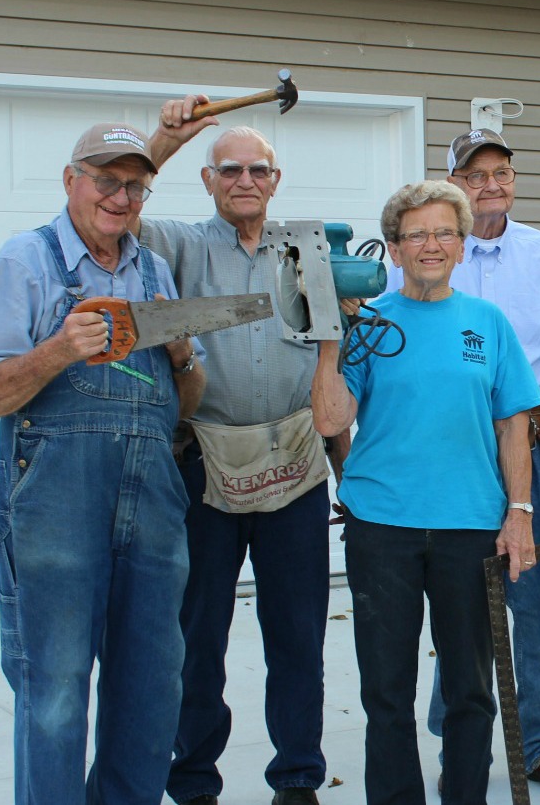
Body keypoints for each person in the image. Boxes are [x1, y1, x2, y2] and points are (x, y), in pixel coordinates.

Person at [0, 122, 205, 804]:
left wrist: (183, 349)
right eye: (107, 180)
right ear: (71, 180)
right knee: (56, 687)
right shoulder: (26, 263)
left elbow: (185, 403)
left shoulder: (154, 271)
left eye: (134, 185)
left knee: (152, 684)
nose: (120, 196)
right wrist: (57, 350)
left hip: (151, 495)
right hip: (56, 501)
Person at [311, 180, 540, 805]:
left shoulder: (488, 323)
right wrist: (331, 327)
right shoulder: (371, 323)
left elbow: (513, 425)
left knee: (470, 688)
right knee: (386, 688)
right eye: (416, 234)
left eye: (445, 232)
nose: (432, 244)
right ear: (392, 248)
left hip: (470, 525)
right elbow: (332, 421)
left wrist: (518, 513)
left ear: (463, 247)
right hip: (381, 525)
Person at [140, 98, 345, 805]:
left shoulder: (307, 249)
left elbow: (329, 356)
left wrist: (343, 466)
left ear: (276, 178)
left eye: (259, 169)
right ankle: (193, 779)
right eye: (230, 169)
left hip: (295, 464)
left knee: (297, 636)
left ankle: (297, 776)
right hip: (203, 467)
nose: (245, 179)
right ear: (208, 181)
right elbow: (117, 214)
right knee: (197, 639)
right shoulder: (179, 246)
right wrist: (163, 142)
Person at [388, 129, 540, 796]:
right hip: (454, 449)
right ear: (453, 182)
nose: (489, 185)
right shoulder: (425, 255)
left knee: (539, 601)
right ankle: (461, 735)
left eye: (500, 173)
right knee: (462, 602)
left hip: (539, 446)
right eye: (474, 175)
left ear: (513, 180)